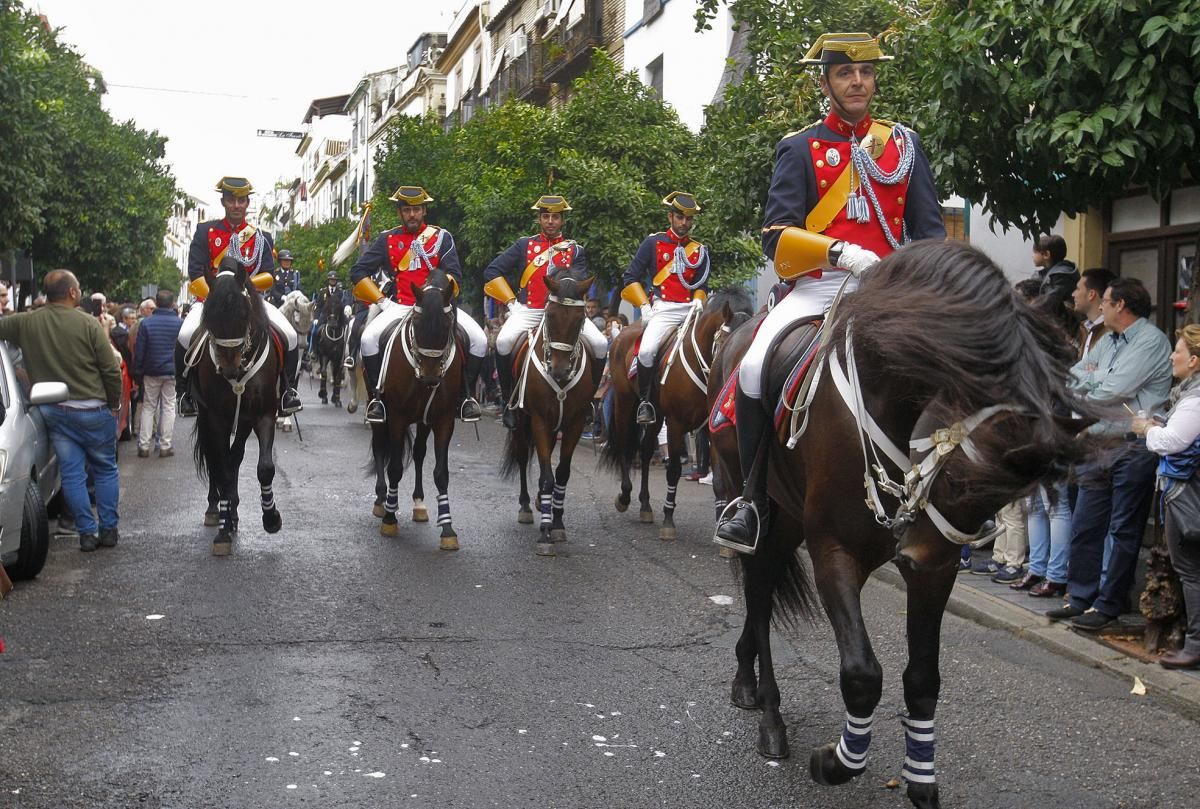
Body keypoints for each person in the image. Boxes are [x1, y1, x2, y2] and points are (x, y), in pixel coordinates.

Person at [715, 32, 946, 552]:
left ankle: (947, 498)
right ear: (825, 82)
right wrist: (839, 253)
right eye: (845, 73)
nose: (857, 81)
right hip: (820, 285)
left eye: (865, 72)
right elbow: (777, 235)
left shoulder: (903, 147)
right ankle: (751, 500)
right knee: (752, 368)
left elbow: (929, 232)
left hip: (887, 289)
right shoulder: (799, 148)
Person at [1047, 278, 1172, 630]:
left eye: (1105, 301)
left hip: (1132, 447)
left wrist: (1095, 380)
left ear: (1121, 305)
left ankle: (1109, 604)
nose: (1100, 306)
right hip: (1097, 442)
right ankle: (1081, 597)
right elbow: (1072, 377)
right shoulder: (1110, 340)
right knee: (1086, 524)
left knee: (1122, 530)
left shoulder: (1150, 341)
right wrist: (1098, 379)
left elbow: (1114, 390)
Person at [0, 269, 123, 551]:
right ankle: (108, 530)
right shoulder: (88, 324)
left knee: (71, 473)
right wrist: (114, 403)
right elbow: (110, 369)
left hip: (54, 411)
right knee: (105, 469)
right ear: (72, 293)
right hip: (93, 410)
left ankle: (87, 533)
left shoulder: (25, 323)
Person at [349, 185, 487, 424]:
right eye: (406, 210)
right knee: (368, 339)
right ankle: (377, 400)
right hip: (401, 305)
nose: (412, 215)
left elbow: (455, 274)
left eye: (416, 209)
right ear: (400, 213)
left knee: (480, 340)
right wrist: (382, 301)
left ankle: (465, 397)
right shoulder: (388, 239)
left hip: (439, 308)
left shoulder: (442, 237)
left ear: (424, 211)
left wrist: (439, 297)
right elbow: (358, 271)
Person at [176, 176, 302, 417]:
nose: (236, 205)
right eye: (231, 200)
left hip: (250, 303)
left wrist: (243, 293)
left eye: (241, 200)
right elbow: (195, 272)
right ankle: (184, 393)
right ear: (224, 202)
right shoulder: (205, 231)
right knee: (184, 334)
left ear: (247, 203)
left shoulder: (261, 236)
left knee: (290, 334)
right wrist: (217, 298)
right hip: (210, 302)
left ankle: (287, 392)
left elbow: (268, 274)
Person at [483, 194, 608, 430]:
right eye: (546, 216)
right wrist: (511, 302)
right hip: (530, 309)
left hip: (564, 312)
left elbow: (580, 279)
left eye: (555, 217)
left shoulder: (575, 250)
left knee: (600, 345)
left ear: (562, 220)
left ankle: (588, 402)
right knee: (503, 342)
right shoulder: (524, 245)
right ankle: (508, 401)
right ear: (539, 219)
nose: (550, 221)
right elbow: (493, 271)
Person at [1134, 324, 1200, 669]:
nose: (1172, 356)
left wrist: (1148, 429)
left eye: (1178, 351)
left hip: (1187, 497)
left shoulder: (1195, 399)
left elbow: (1169, 443)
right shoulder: (1188, 396)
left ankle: (1195, 646)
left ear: (1194, 361)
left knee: (1190, 570)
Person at [620, 191, 712, 425]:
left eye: (689, 219)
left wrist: (700, 299)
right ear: (671, 217)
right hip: (663, 309)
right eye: (680, 217)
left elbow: (703, 284)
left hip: (691, 310)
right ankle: (646, 402)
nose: (685, 223)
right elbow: (630, 277)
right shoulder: (653, 243)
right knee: (647, 351)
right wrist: (643, 305)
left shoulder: (699, 249)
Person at [133, 289, 182, 458]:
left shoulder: (146, 323)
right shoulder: (179, 323)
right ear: (172, 303)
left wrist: (137, 371)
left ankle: (144, 445)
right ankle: (164, 446)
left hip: (151, 371)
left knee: (148, 406)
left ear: (157, 303)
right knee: (168, 407)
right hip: (171, 371)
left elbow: (140, 351)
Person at [1031, 233, 1079, 333]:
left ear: (1046, 255)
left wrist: (1028, 311)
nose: (1032, 255)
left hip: (1065, 327)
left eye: (1035, 252)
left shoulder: (1061, 276)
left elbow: (1049, 302)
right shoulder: (1046, 274)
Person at [1071, 267, 1114, 359]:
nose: (1073, 294)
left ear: (1091, 294)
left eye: (1078, 289)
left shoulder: (1112, 332)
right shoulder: (1083, 329)